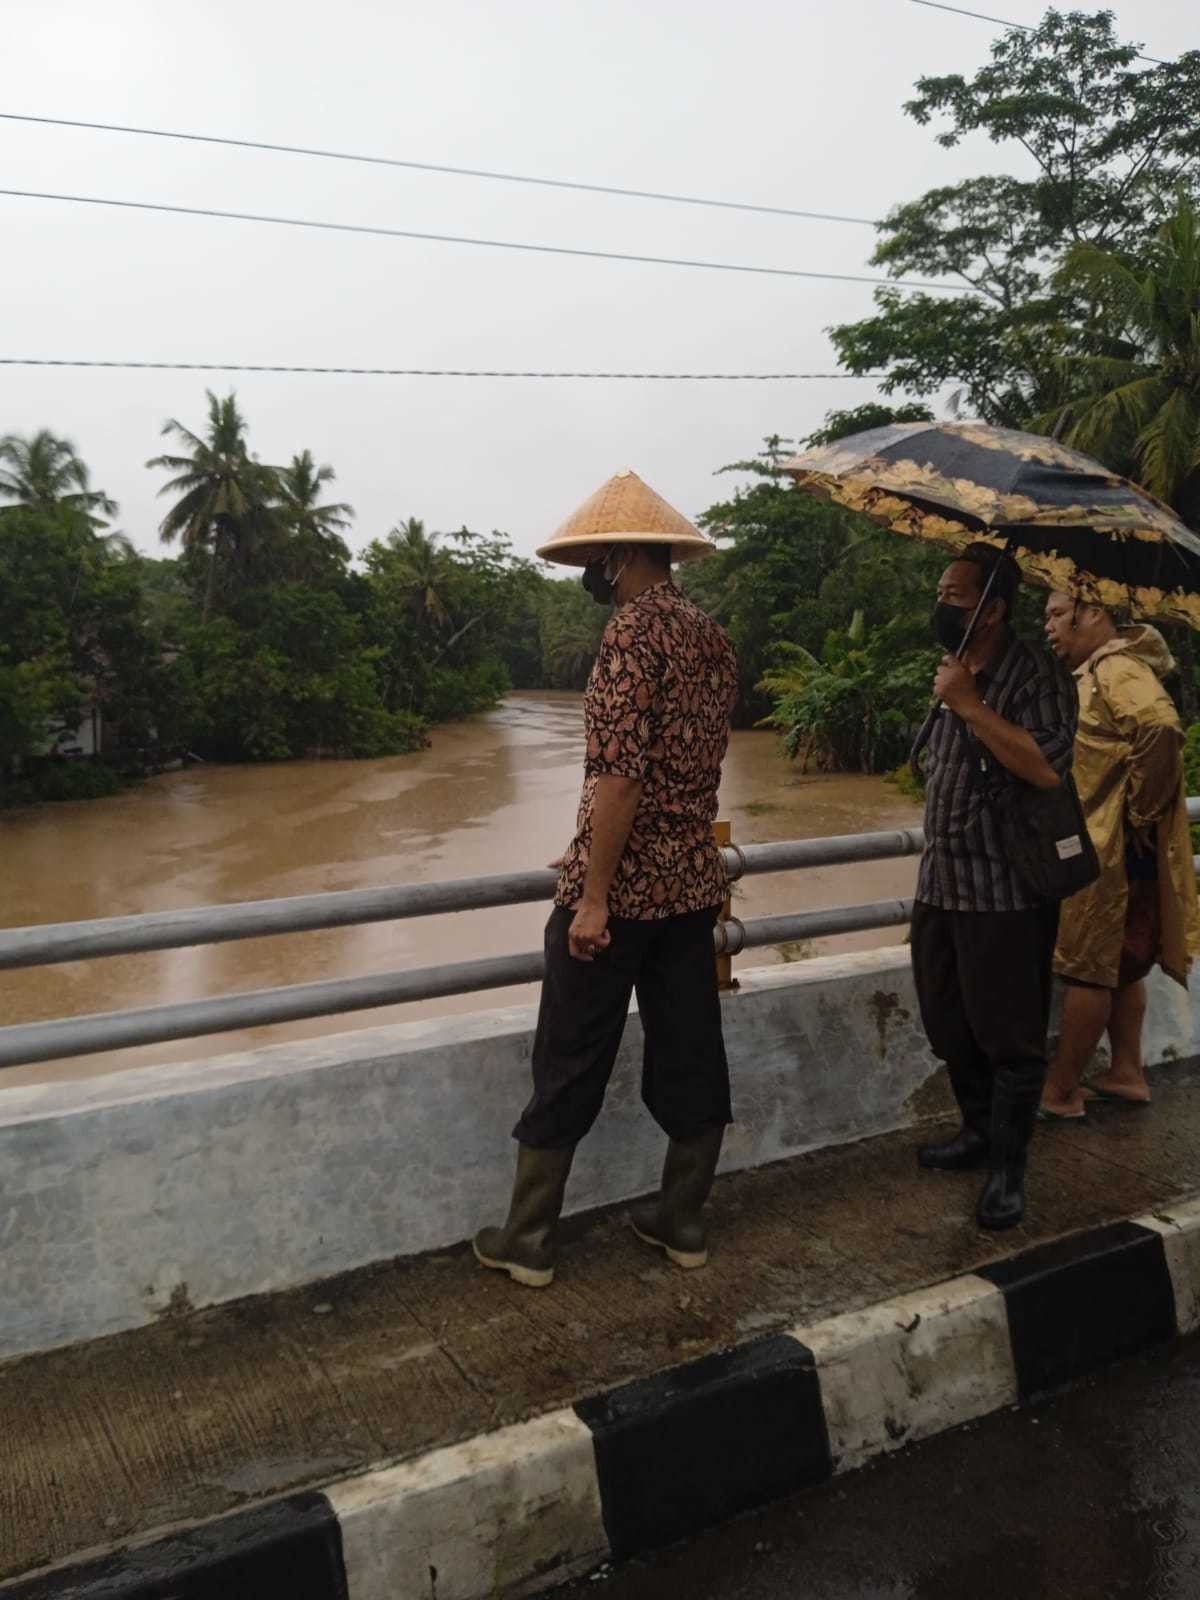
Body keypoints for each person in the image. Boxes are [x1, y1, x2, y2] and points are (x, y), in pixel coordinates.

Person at [474, 469, 739, 1288]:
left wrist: (593, 893)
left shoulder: (631, 635)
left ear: (622, 556)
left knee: (570, 1056)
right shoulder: (710, 636)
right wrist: (586, 842)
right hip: (691, 889)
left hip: (621, 900)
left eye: (599, 559)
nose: (595, 573)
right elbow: (679, 773)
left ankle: (527, 1240)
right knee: (692, 1049)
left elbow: (621, 776)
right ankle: (684, 1220)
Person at [912, 543, 1077, 1230]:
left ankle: (1009, 1168)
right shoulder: (957, 672)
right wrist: (955, 697)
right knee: (948, 1021)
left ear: (993, 609)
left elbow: (1044, 769)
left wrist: (973, 706)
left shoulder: (1037, 676)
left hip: (1004, 891)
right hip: (941, 882)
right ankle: (977, 1130)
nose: (942, 602)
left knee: (1011, 1037)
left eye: (955, 594)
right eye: (944, 590)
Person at [1039, 593, 1199, 1118]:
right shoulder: (1109, 668)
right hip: (1115, 846)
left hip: (1104, 847)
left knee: (1087, 968)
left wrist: (1142, 813)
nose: (1049, 627)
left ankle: (1060, 1091)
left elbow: (1160, 727)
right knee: (1122, 965)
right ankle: (1126, 1072)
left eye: (1057, 615)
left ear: (1093, 614)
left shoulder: (1115, 667)